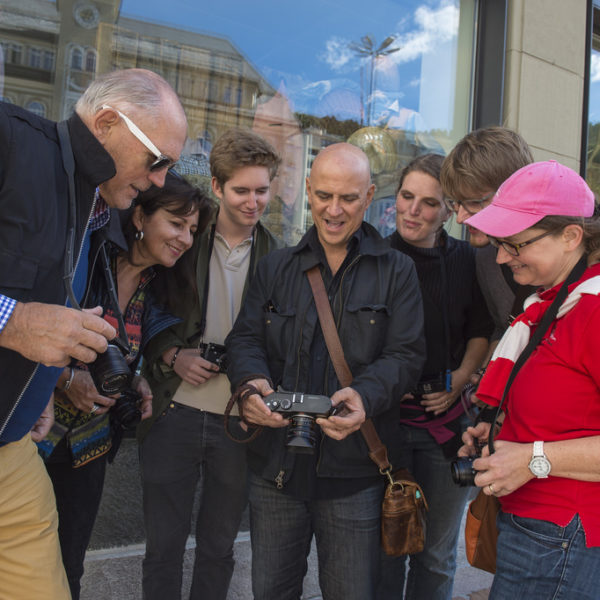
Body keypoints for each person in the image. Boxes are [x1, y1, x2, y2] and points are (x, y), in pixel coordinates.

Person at [0, 68, 187, 600]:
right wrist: (13, 321)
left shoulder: (101, 211)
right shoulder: (10, 140)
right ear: (106, 122)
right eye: (158, 161)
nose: (160, 180)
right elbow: (24, 316)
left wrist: (36, 385)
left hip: (12, 451)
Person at [225, 142, 426, 600]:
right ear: (308, 191)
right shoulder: (275, 266)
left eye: (349, 198)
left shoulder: (398, 271)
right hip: (276, 467)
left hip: (355, 471)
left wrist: (365, 397)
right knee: (271, 592)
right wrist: (250, 385)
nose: (334, 210)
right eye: (324, 195)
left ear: (370, 195)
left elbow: (406, 355)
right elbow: (245, 339)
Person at [39, 172, 212, 600]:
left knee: (67, 566)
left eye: (192, 230)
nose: (186, 238)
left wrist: (135, 380)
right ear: (140, 215)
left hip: (88, 447)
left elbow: (119, 355)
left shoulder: (155, 290)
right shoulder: (80, 263)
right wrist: (65, 379)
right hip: (32, 435)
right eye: (176, 223)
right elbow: (28, 332)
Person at [138, 128, 281, 600]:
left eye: (262, 190)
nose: (253, 202)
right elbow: (144, 301)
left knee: (219, 548)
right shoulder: (185, 236)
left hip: (238, 422)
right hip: (172, 410)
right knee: (163, 546)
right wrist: (170, 353)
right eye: (241, 190)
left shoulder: (279, 258)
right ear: (217, 188)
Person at [458, 160, 600, 599]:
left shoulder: (591, 311)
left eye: (516, 245)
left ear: (572, 237)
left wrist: (531, 460)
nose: (501, 257)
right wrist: (502, 431)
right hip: (543, 531)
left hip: (566, 538)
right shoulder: (557, 301)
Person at [378, 154, 493, 600]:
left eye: (429, 202)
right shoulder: (376, 255)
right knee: (386, 550)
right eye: (407, 196)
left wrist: (460, 379)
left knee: (435, 555)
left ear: (449, 209)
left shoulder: (469, 259)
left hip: (448, 428)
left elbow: (481, 331)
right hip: (384, 427)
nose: (413, 210)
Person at [440, 127, 534, 351]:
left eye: (473, 202)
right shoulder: (484, 257)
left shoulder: (581, 260)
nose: (461, 218)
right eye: (455, 203)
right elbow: (503, 328)